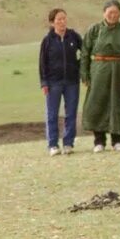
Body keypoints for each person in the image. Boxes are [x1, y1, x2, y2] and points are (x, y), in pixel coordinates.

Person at [81, 0, 120, 152]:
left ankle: (117, 140)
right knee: (98, 102)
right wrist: (84, 73)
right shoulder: (94, 30)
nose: (113, 15)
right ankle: (99, 141)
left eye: (116, 12)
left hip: (119, 70)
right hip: (99, 69)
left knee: (117, 102)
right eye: (110, 12)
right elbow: (85, 52)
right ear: (104, 13)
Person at [38, 8, 82, 155]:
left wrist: (79, 66)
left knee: (71, 113)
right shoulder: (47, 41)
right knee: (52, 114)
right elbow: (42, 63)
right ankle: (53, 145)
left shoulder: (73, 36)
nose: (62, 22)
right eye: (58, 19)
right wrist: (44, 82)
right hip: (53, 82)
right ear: (52, 22)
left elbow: (85, 51)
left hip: (72, 81)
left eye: (64, 18)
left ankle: (68, 143)